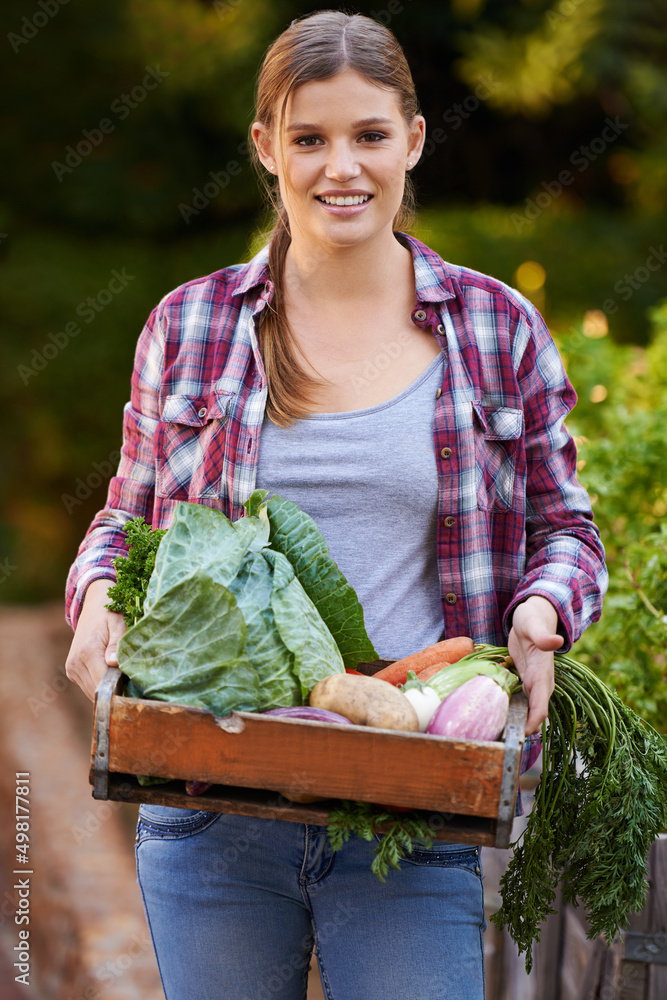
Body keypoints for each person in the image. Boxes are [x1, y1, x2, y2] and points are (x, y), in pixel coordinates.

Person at [65, 10, 607, 999]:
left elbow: (564, 525)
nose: (339, 166)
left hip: (410, 807)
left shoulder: (495, 327)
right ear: (267, 147)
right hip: (213, 789)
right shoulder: (191, 325)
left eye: (366, 134)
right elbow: (127, 519)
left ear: (412, 138)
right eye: (309, 138)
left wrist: (539, 613)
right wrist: (98, 589)